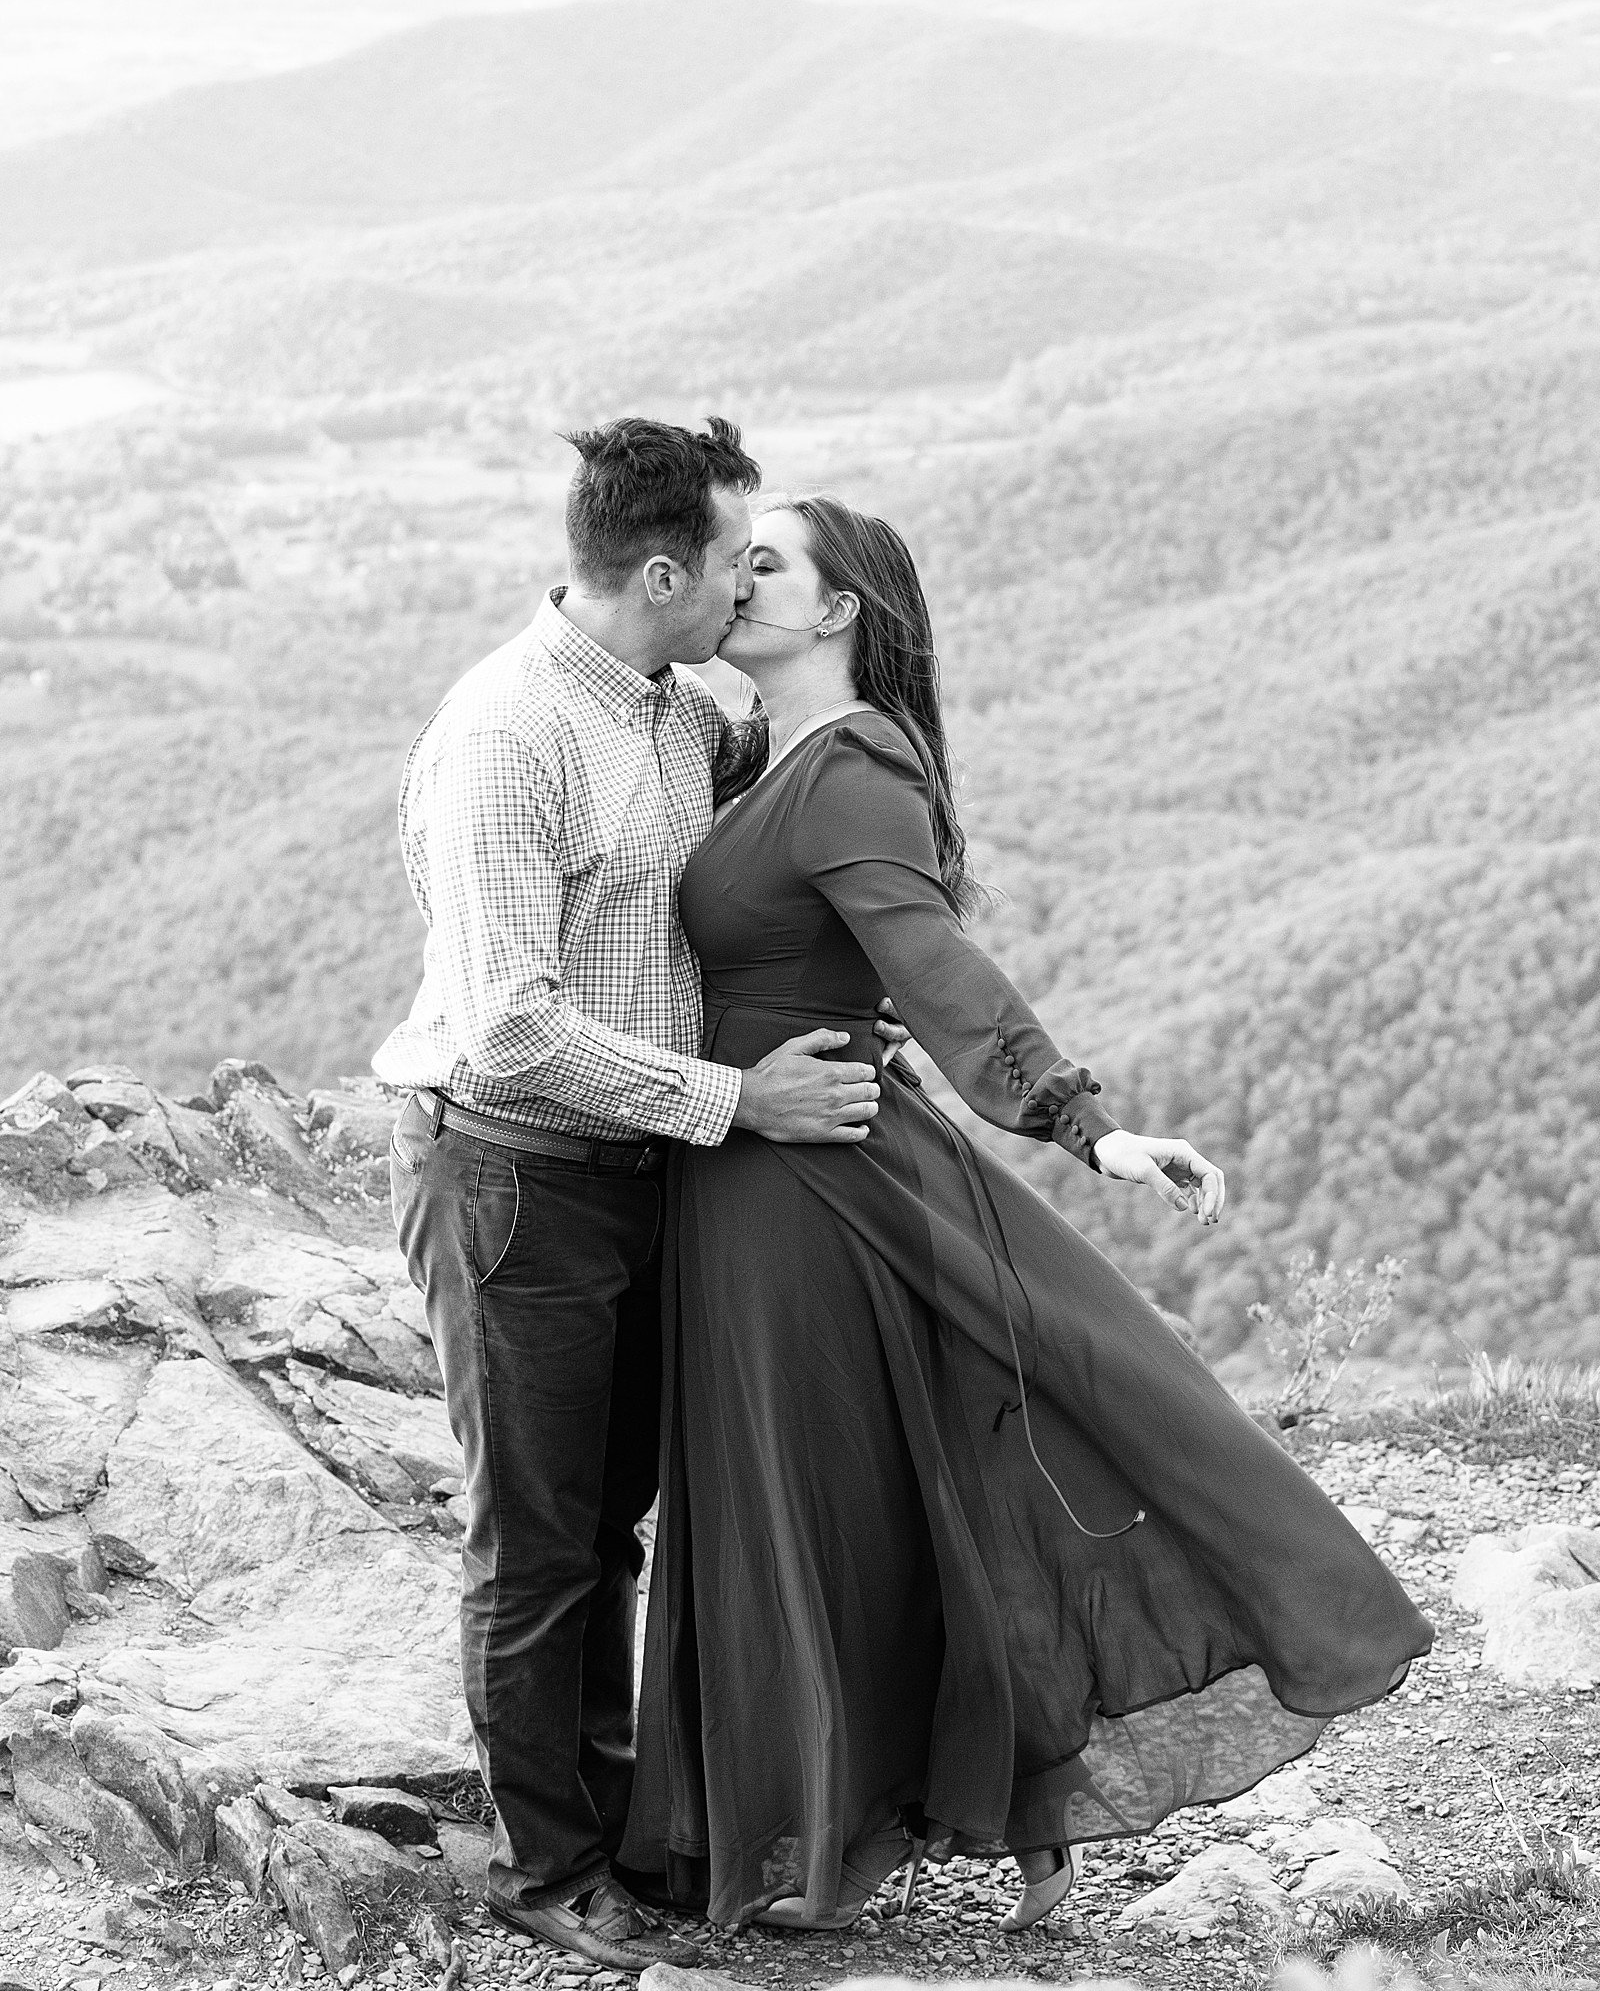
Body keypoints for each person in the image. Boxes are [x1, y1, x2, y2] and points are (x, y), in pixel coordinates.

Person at [619, 493, 1433, 1933]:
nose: (735, 584)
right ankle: (991, 1813)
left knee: (824, 1491)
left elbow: (940, 971)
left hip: (810, 1183)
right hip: (754, 1162)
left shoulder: (851, 770)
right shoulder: (754, 752)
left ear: (837, 612)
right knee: (879, 1477)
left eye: (766, 566)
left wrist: (1086, 1124)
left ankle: (846, 1831)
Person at [375, 420, 904, 1970]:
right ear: (662, 572)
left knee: (616, 1522)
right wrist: (745, 1104)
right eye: (738, 556)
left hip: (647, 1173)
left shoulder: (676, 711)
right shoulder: (508, 735)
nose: (752, 577)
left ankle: (629, 1824)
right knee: (539, 1539)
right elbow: (511, 1025)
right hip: (517, 1177)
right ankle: (547, 1866)